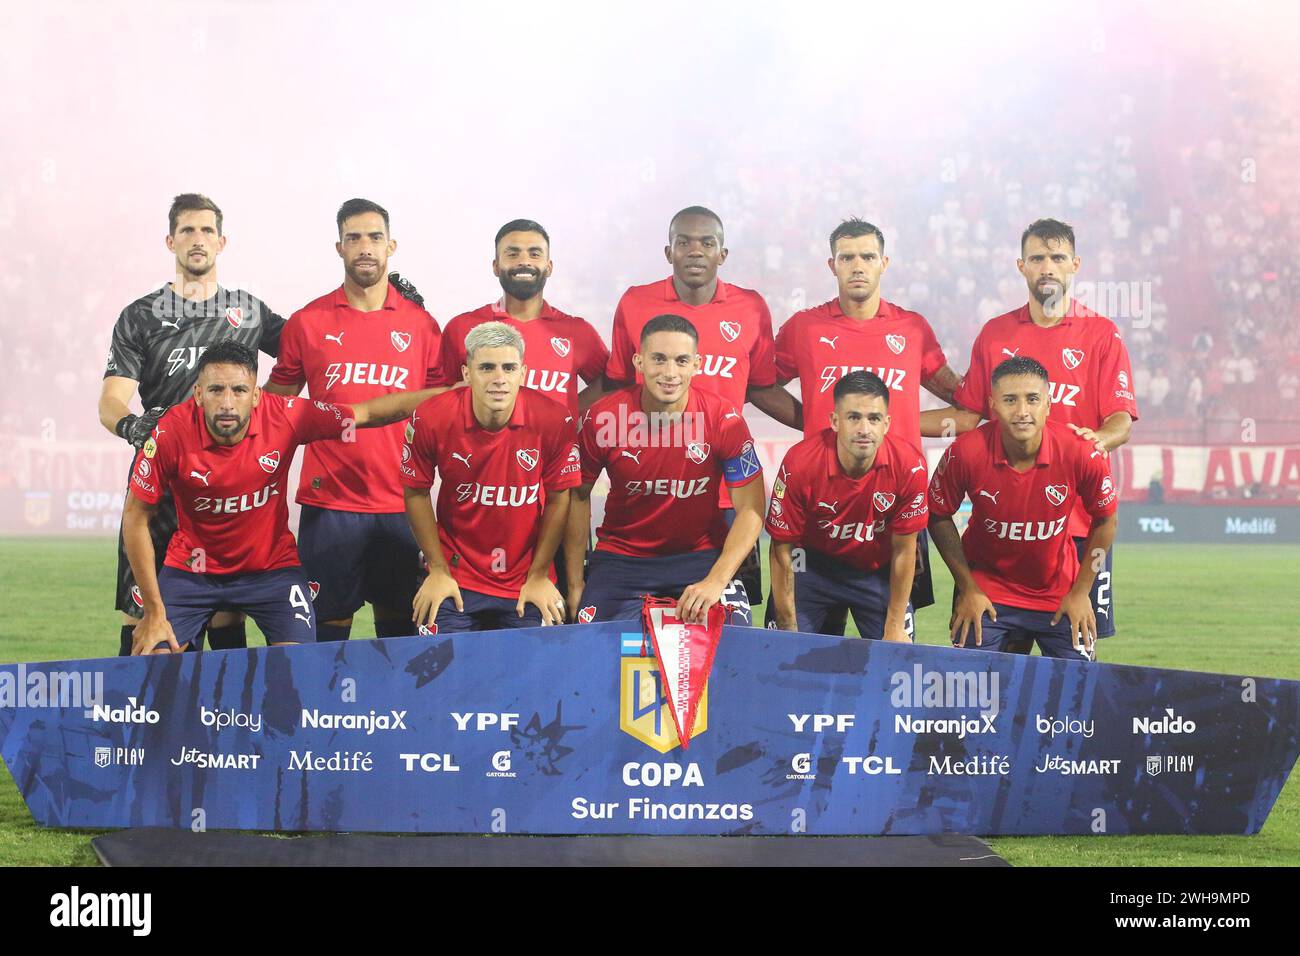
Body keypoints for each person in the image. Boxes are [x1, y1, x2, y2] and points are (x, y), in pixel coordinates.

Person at [124, 342, 436, 654]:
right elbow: (136, 518)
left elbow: (365, 413)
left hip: (271, 572)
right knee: (156, 659)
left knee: (298, 666)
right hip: (192, 572)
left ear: (256, 395)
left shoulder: (286, 415)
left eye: (240, 390)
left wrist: (447, 394)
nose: (228, 403)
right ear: (198, 394)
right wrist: (153, 610)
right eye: (216, 390)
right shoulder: (169, 433)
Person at [921, 218, 1138, 646]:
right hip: (1008, 527)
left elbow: (1121, 420)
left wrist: (1094, 443)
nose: (1047, 267)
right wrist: (891, 425)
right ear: (1022, 266)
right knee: (989, 665)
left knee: (1075, 657)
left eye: (1057, 258)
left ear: (1074, 264)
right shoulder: (996, 334)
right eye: (1037, 258)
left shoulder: (1101, 335)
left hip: (1077, 525)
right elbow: (966, 417)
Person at [99, 193, 286, 655]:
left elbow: (313, 350)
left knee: (226, 608)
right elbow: (110, 401)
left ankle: (221, 724)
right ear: (170, 241)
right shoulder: (141, 316)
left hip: (226, 486)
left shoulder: (248, 310)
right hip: (161, 483)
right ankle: (138, 721)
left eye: (206, 231)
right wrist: (133, 427)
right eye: (187, 230)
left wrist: (383, 300)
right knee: (142, 611)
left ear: (222, 242)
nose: (197, 239)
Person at [262, 198, 441, 642]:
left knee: (400, 638)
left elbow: (442, 411)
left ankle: (393, 715)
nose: (365, 247)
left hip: (403, 505)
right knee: (324, 638)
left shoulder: (422, 326)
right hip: (329, 507)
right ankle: (319, 715)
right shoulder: (307, 322)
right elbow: (274, 408)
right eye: (354, 238)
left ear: (391, 246)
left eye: (374, 237)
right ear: (339, 247)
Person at [772, 217, 962, 622]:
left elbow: (958, 396)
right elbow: (759, 385)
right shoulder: (805, 328)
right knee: (801, 658)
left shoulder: (911, 328)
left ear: (884, 262)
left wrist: (910, 420)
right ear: (832, 265)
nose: (858, 265)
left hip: (892, 502)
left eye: (867, 256)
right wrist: (810, 420)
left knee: (892, 656)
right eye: (847, 257)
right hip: (822, 504)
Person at [604, 206, 797, 605]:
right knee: (628, 628)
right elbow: (618, 385)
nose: (695, 251)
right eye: (684, 242)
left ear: (721, 254)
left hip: (726, 496)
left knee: (724, 628)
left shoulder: (750, 307)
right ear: (668, 252)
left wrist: (823, 427)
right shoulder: (635, 303)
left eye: (706, 243)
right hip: (650, 486)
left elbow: (761, 388)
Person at [432, 219, 609, 599]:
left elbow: (610, 382)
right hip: (479, 504)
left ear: (549, 265)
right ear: (495, 265)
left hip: (553, 504)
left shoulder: (575, 331)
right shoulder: (464, 328)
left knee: (557, 626)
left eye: (534, 253)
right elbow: (441, 397)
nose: (523, 261)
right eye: (512, 253)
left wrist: (569, 412)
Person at [566, 314, 765, 625]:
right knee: (594, 649)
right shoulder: (601, 419)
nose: (670, 373)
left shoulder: (725, 419)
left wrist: (716, 580)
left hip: (701, 557)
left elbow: (751, 508)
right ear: (638, 361)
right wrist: (577, 582)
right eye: (658, 359)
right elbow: (577, 498)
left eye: (681, 361)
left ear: (697, 364)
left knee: (736, 644)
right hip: (621, 560)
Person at [927, 357, 1118, 660]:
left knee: (1081, 694)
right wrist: (967, 588)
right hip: (987, 592)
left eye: (1032, 399)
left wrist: (1082, 592)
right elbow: (937, 514)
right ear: (992, 404)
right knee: (969, 694)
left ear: (1048, 403)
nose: (1022, 412)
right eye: (1010, 400)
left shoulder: (1080, 452)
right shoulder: (965, 452)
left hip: (1059, 594)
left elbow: (1106, 520)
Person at [401, 322, 579, 633]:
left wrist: (538, 575)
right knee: (440, 671)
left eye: (508, 368)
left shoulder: (553, 419)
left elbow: (558, 497)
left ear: (522, 373)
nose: (499, 379)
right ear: (467, 373)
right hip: (456, 578)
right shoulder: (431, 416)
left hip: (525, 580)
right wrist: (439, 570)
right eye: (486, 367)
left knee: (535, 675)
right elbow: (415, 491)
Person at [766, 371, 928, 640]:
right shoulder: (800, 462)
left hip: (876, 572)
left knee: (898, 662)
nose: (864, 429)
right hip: (810, 567)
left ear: (886, 424)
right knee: (783, 661)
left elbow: (905, 551)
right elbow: (782, 548)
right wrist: (786, 626)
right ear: (835, 421)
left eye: (873, 419)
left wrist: (894, 626)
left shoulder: (910, 465)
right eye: (854, 417)